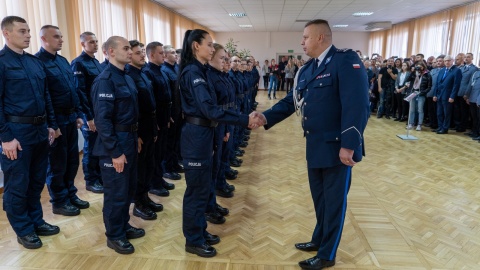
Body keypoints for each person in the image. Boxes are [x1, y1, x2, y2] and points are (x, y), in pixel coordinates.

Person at [254, 19, 369, 269]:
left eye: (305, 37)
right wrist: (266, 116)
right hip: (315, 145)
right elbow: (291, 101)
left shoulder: (344, 61)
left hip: (338, 147)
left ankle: (327, 255)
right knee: (320, 200)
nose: (301, 42)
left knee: (334, 202)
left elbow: (357, 105)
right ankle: (319, 238)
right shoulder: (307, 69)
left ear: (320, 37)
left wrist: (349, 144)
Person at [178, 29, 261, 258]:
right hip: (196, 136)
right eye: (209, 44)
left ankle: (200, 233)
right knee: (196, 192)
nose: (212, 49)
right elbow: (209, 109)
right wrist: (244, 120)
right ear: (196, 46)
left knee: (204, 187)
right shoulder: (193, 72)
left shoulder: (201, 71)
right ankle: (193, 240)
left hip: (205, 134)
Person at [0, 15, 60, 249]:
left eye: (28, 31)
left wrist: (51, 125)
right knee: (18, 184)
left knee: (36, 181)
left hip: (39, 130)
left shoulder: (35, 62)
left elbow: (46, 96)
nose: (28, 35)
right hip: (17, 132)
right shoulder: (2, 62)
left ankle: (36, 221)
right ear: (7, 33)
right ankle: (23, 229)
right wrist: (5, 137)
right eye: (22, 31)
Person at [91, 36, 144, 254]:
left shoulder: (127, 77)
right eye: (125, 49)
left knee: (128, 189)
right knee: (116, 193)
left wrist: (136, 136)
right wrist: (115, 152)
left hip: (129, 140)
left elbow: (129, 113)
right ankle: (114, 236)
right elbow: (103, 121)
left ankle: (123, 225)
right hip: (115, 146)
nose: (130, 52)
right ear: (110, 51)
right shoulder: (105, 80)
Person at [35, 25, 89, 216]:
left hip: (70, 117)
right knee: (57, 163)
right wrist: (52, 125)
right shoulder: (38, 62)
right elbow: (44, 95)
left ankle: (70, 194)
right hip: (55, 120)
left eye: (61, 36)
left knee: (72, 161)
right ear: (44, 39)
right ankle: (59, 201)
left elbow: (74, 90)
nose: (61, 40)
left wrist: (78, 114)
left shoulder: (64, 60)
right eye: (56, 37)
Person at [125, 40, 163, 220]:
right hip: (139, 130)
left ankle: (145, 197)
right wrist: (137, 134)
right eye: (138, 52)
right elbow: (132, 109)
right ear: (129, 55)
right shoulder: (129, 76)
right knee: (140, 169)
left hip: (150, 127)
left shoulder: (143, 74)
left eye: (142, 51)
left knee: (149, 165)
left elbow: (150, 103)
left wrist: (154, 126)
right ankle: (138, 203)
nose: (142, 55)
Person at [71, 31, 104, 193]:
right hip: (90, 114)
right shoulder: (78, 63)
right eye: (91, 42)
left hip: (100, 112)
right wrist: (88, 117)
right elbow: (80, 92)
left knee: (100, 146)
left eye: (96, 41)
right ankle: (91, 180)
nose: (95, 44)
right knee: (90, 148)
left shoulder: (96, 62)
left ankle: (99, 176)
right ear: (83, 44)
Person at [143, 41, 176, 198]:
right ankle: (154, 183)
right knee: (155, 154)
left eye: (164, 52)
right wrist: (155, 122)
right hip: (155, 119)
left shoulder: (161, 71)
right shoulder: (148, 72)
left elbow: (166, 95)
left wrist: (168, 115)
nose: (164, 55)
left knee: (161, 151)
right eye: (161, 53)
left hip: (164, 117)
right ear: (152, 55)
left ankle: (160, 178)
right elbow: (152, 100)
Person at [433, 55, 462, 134]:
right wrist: (435, 94)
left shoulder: (456, 70)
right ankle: (440, 127)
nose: (447, 62)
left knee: (447, 113)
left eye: (449, 60)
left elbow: (456, 85)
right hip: (439, 95)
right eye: (445, 61)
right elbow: (437, 83)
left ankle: (445, 128)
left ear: (452, 61)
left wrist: (452, 96)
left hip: (448, 96)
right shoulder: (442, 70)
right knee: (439, 113)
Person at [406, 61, 432, 131]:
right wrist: (412, 72)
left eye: (420, 66)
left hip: (421, 93)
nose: (419, 68)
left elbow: (429, 86)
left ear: (423, 67)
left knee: (420, 109)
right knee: (412, 109)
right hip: (413, 92)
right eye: (417, 66)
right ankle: (411, 123)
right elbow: (407, 79)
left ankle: (419, 124)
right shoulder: (414, 73)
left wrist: (423, 92)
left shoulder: (427, 74)